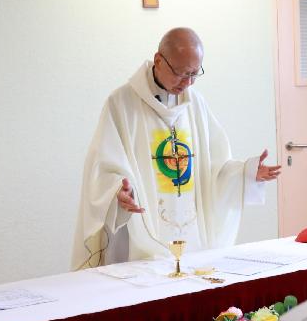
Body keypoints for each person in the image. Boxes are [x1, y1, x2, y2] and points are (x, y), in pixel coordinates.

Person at [72, 28, 280, 269]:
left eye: (195, 74)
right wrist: (115, 193)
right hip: (143, 236)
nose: (188, 83)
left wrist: (247, 172)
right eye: (181, 73)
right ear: (159, 61)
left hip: (194, 239)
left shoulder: (196, 104)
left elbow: (215, 169)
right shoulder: (122, 104)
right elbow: (102, 167)